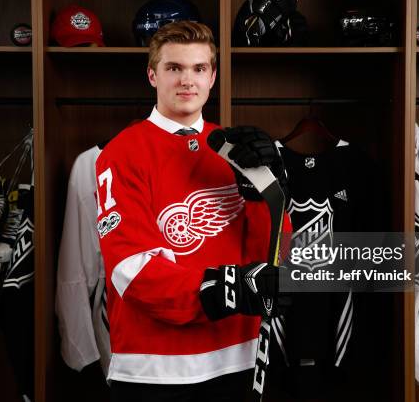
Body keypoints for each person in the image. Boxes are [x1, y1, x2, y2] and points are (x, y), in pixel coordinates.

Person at [95, 21, 288, 401]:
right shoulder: (121, 152)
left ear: (213, 76)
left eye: (199, 69)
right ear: (152, 75)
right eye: (174, 68)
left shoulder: (233, 148)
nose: (188, 80)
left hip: (241, 357)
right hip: (155, 367)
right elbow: (130, 270)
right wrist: (226, 290)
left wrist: (266, 194)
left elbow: (272, 256)